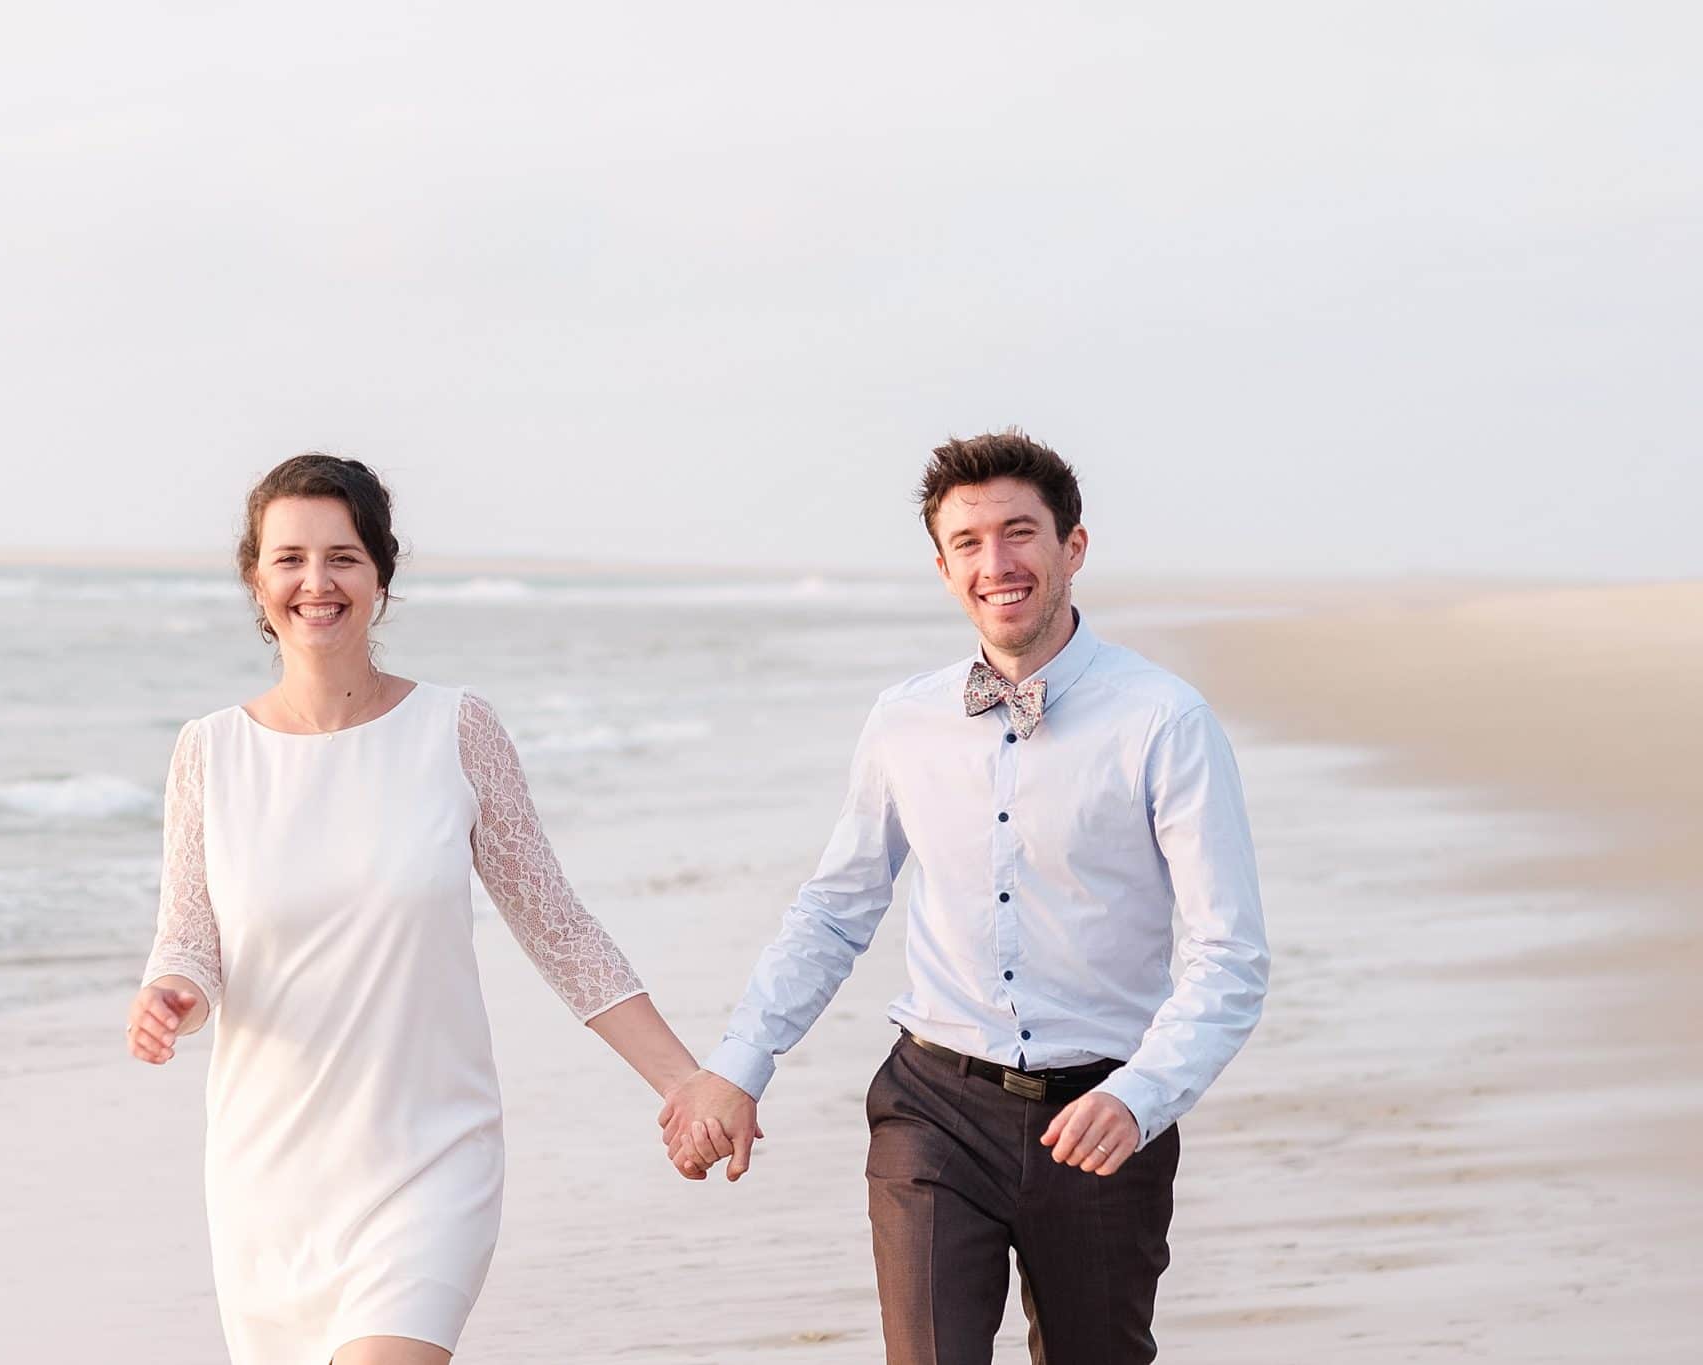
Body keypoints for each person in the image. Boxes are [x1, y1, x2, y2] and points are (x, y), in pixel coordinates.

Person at [658, 429, 1270, 1364]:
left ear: (1073, 547)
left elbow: (1229, 955)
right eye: (970, 543)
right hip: (932, 1108)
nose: (998, 563)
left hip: (1102, 1116)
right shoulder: (904, 719)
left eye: (1020, 532)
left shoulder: (1164, 720)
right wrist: (741, 1064)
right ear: (943, 568)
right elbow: (835, 908)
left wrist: (1142, 1095)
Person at [126, 453, 700, 1365]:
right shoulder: (209, 752)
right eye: (290, 558)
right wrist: (173, 991)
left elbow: (556, 925)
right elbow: (190, 938)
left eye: (343, 556)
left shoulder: (455, 730)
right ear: (256, 580)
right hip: (267, 1180)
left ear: (381, 576)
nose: (316, 582)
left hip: (428, 1158)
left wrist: (684, 1081)